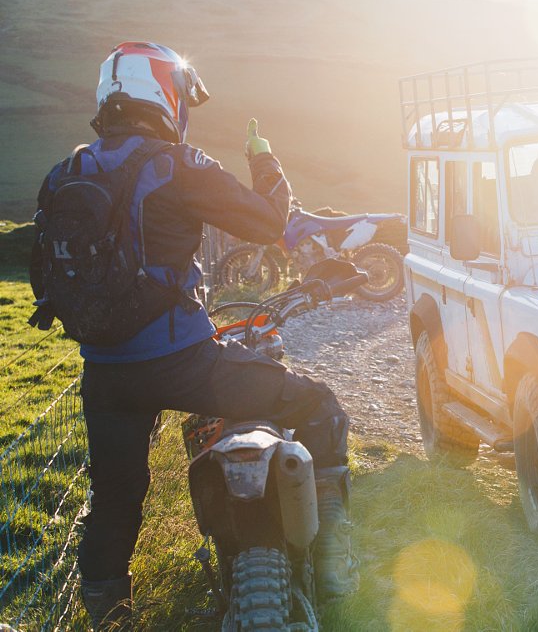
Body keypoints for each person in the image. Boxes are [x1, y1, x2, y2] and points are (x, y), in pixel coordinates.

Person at [28, 42, 358, 630]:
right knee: (320, 406)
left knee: (115, 497)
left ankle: (108, 616)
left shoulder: (66, 172)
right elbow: (268, 220)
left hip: (105, 372)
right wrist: (264, 158)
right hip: (185, 362)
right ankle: (332, 557)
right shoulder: (175, 163)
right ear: (165, 94)